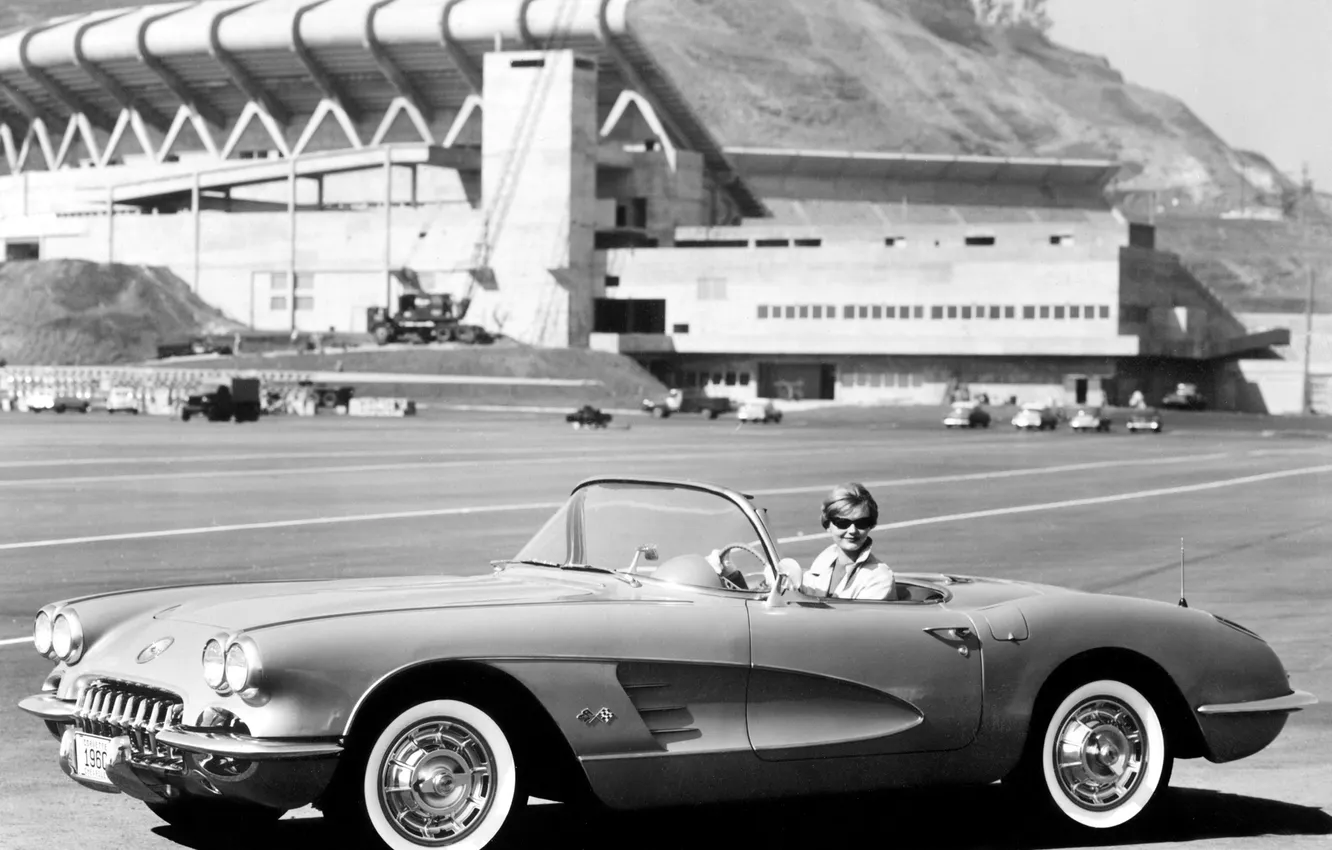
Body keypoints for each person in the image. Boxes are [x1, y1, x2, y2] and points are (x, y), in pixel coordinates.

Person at [777, 482, 896, 600]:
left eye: (862, 523)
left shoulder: (879, 577)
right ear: (828, 525)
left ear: (870, 525)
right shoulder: (823, 563)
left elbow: (855, 613)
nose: (852, 530)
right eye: (842, 523)